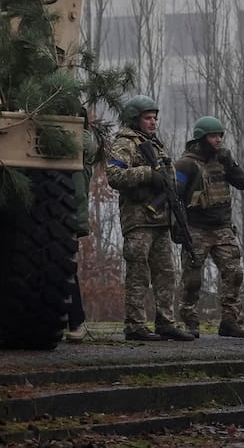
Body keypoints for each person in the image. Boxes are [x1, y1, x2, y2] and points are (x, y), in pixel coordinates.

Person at [106, 94, 194, 342]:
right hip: (138, 220)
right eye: (148, 118)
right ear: (135, 119)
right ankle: (135, 325)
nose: (153, 122)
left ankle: (166, 322)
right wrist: (147, 173)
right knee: (139, 274)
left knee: (166, 273)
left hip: (161, 219)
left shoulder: (155, 144)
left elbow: (168, 178)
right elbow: (114, 175)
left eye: (155, 118)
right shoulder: (125, 143)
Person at [174, 115, 244, 339]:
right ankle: (190, 321)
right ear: (201, 138)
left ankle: (229, 321)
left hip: (222, 228)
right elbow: (175, 194)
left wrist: (231, 164)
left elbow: (243, 183)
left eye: (220, 136)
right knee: (192, 280)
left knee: (234, 273)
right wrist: (178, 227)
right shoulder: (186, 163)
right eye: (213, 136)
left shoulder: (224, 159)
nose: (218, 140)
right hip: (196, 228)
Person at [64, 109, 103, 342]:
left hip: (68, 214)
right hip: (62, 213)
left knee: (66, 268)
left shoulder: (83, 140)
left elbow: (81, 143)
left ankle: (76, 321)